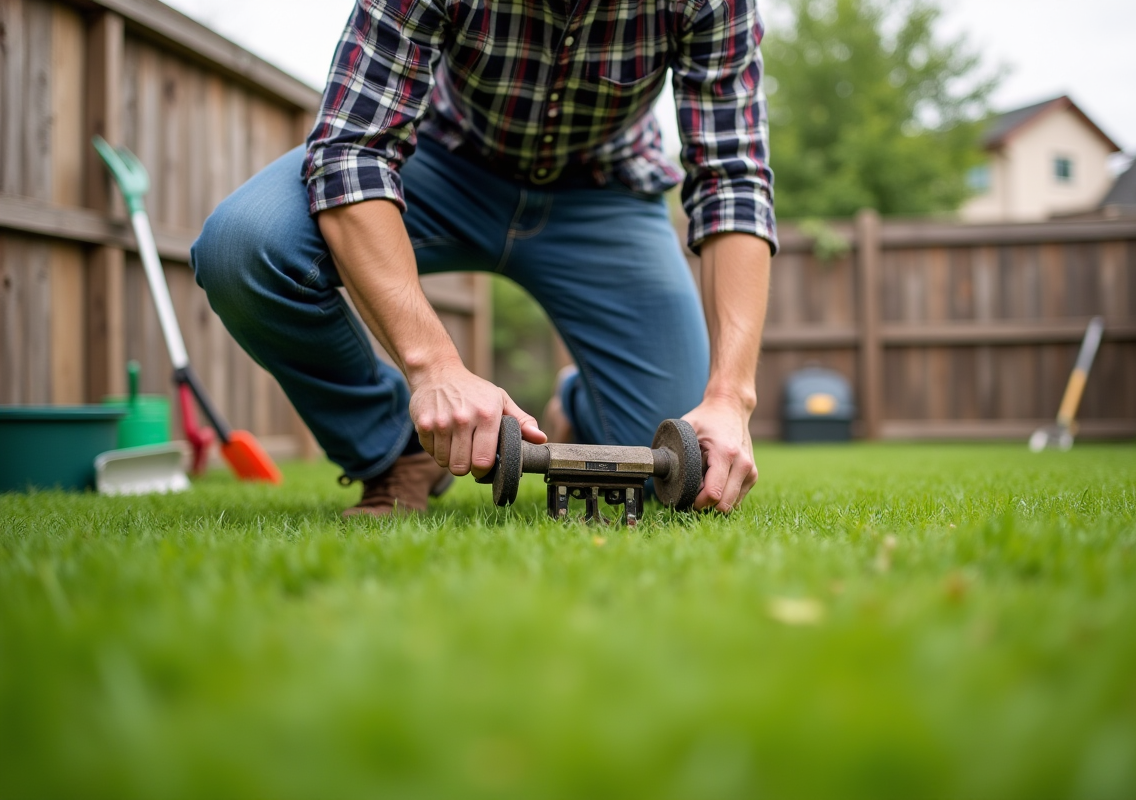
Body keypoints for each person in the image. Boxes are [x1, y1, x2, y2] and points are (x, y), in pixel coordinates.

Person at [191, 0, 776, 517]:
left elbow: (734, 183)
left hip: (606, 191)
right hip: (441, 165)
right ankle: (393, 452)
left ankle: (577, 405)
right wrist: (433, 367)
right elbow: (353, 148)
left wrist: (731, 398)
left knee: (672, 473)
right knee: (245, 246)